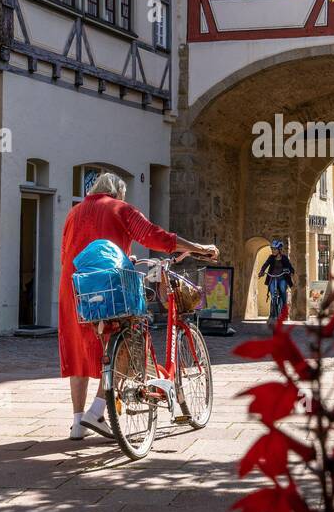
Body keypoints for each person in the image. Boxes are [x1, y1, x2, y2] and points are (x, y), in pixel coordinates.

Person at [59, 172, 218, 441]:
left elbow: (69, 249)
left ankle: (77, 423)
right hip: (111, 286)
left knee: (79, 351)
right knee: (130, 343)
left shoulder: (74, 212)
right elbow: (154, 236)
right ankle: (97, 411)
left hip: (75, 286)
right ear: (118, 193)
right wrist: (199, 248)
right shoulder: (120, 208)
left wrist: (120, 256)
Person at [258, 239, 296, 318]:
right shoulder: (271, 257)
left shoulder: (284, 258)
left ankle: (284, 308)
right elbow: (265, 265)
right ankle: (272, 313)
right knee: (272, 294)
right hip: (272, 277)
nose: (273, 250)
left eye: (275, 249)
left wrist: (290, 271)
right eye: (272, 249)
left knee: (282, 290)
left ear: (279, 249)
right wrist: (262, 271)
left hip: (282, 278)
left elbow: (290, 266)